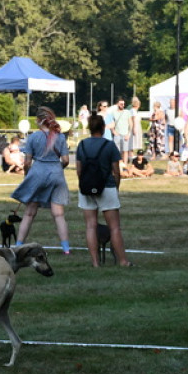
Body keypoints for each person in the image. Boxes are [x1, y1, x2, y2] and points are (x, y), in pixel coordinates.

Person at [11, 107, 71, 254]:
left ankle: (18, 245)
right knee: (58, 214)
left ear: (38, 121)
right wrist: (57, 168)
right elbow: (65, 160)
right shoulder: (60, 137)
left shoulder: (33, 137)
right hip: (56, 173)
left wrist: (27, 176)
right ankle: (66, 249)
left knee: (29, 212)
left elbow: (27, 162)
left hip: (37, 173)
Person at [76, 115, 131, 268]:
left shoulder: (82, 145)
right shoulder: (109, 145)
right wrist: (116, 187)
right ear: (102, 127)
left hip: (86, 188)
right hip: (106, 187)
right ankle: (123, 261)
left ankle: (95, 263)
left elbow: (79, 170)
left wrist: (84, 184)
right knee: (114, 227)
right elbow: (116, 171)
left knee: (90, 226)